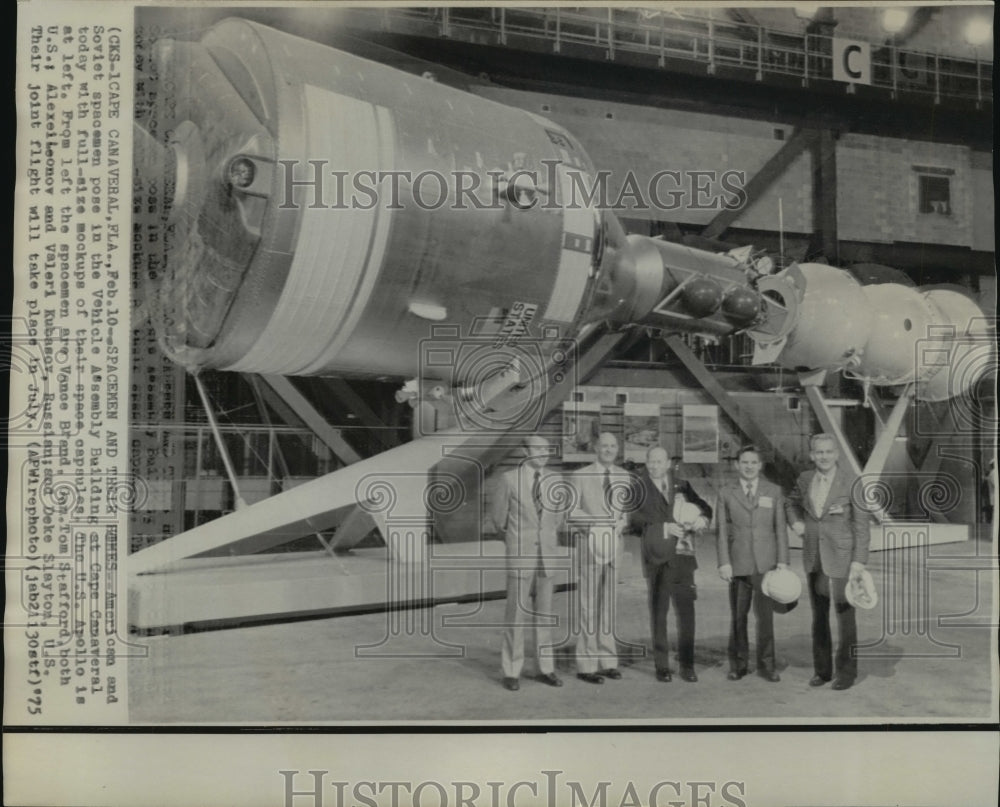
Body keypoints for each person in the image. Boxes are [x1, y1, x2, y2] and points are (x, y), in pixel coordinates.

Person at [786, 433, 871, 691]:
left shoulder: (852, 482)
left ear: (836, 454)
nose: (823, 456)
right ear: (812, 455)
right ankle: (822, 671)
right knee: (819, 616)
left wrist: (859, 561)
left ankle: (846, 672)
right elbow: (789, 503)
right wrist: (797, 523)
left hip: (844, 558)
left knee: (845, 617)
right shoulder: (804, 479)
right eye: (818, 452)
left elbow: (862, 525)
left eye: (828, 452)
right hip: (814, 557)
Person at [491, 435, 565, 692]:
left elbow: (558, 519)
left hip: (547, 556)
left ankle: (546, 668)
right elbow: (498, 520)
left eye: (546, 448)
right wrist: (519, 542)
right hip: (521, 555)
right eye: (537, 448)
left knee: (544, 615)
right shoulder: (509, 479)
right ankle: (512, 670)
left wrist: (544, 540)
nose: (543, 452)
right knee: (516, 615)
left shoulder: (556, 479)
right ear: (525, 451)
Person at [632, 446, 712, 683]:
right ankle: (662, 666)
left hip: (684, 559)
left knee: (687, 612)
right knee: (659, 613)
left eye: (659, 461)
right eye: (651, 461)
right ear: (646, 463)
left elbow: (706, 507)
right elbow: (634, 521)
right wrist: (664, 528)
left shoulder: (682, 486)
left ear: (668, 463)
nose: (654, 466)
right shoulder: (638, 488)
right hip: (657, 558)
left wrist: (702, 519)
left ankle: (687, 665)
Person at [716, 445, 789, 683]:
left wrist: (782, 561)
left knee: (765, 618)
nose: (748, 467)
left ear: (760, 466)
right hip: (738, 565)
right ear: (737, 465)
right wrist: (724, 562)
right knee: (739, 617)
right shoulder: (726, 493)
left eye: (753, 463)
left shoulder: (774, 491)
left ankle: (768, 666)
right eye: (744, 462)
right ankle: (739, 665)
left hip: (766, 565)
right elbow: (721, 532)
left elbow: (780, 528)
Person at [570, 432, 630, 684]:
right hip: (589, 545)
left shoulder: (624, 476)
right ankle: (586, 664)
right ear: (595, 448)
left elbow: (624, 512)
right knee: (588, 605)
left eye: (612, 446)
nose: (608, 449)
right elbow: (571, 511)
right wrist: (596, 524)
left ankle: (607, 661)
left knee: (608, 606)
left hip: (613, 547)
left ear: (618, 449)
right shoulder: (580, 475)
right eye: (604, 445)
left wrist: (620, 524)